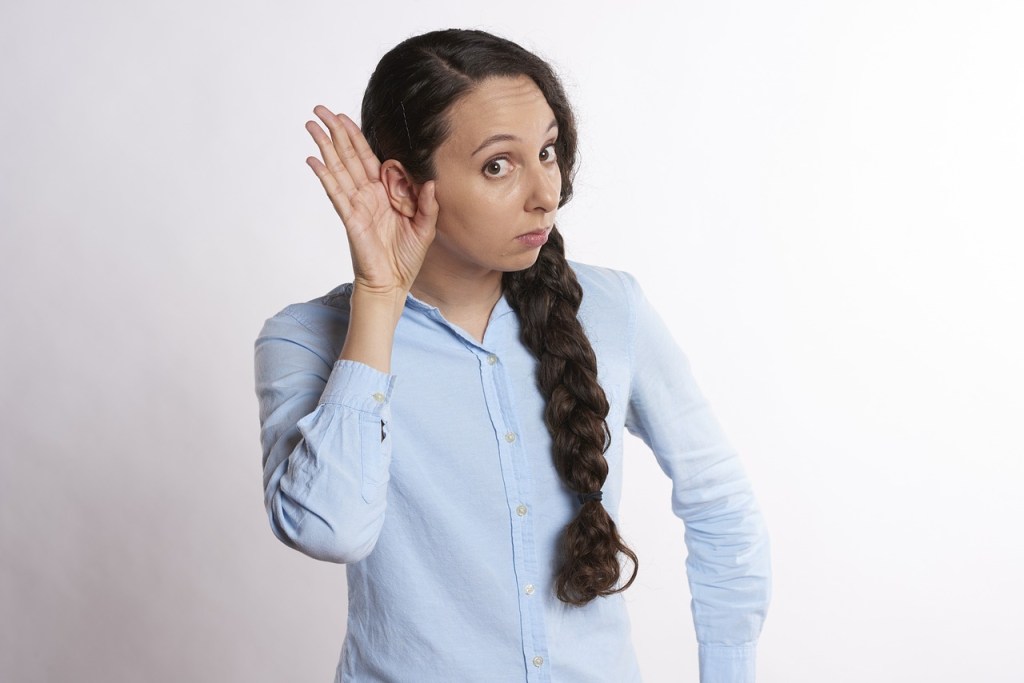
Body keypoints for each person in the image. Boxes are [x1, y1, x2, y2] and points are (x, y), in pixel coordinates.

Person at [254, 28, 771, 683]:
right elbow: (329, 528)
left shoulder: (613, 309)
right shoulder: (302, 339)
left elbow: (720, 501)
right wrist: (379, 299)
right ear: (403, 185)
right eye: (499, 164)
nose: (544, 193)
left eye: (547, 152)